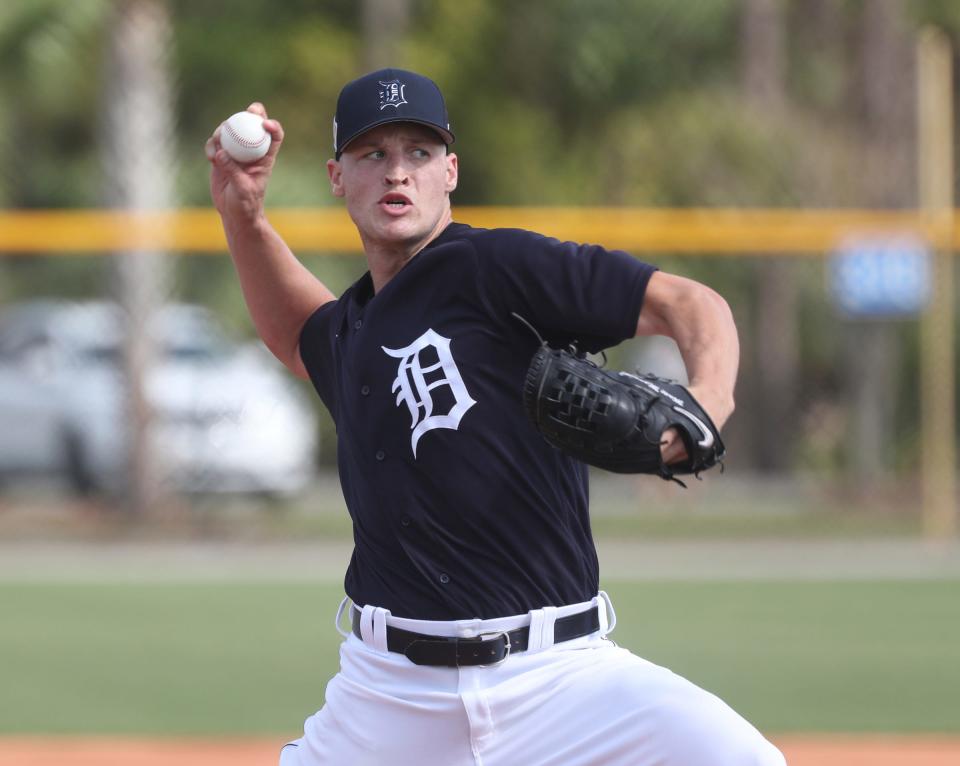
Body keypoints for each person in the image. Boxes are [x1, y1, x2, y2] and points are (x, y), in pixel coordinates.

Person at [207, 68, 785, 766]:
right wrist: (242, 214)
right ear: (338, 176)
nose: (398, 173)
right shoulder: (353, 332)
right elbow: (294, 333)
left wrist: (705, 406)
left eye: (419, 153)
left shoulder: (497, 267)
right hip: (388, 698)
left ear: (450, 170)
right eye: (373, 155)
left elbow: (692, 305)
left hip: (561, 680)